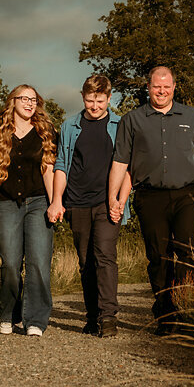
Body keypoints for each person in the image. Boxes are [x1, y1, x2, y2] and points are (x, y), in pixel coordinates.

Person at [107, 65, 194, 334]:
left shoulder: (192, 117)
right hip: (149, 196)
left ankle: (188, 305)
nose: (161, 91)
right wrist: (114, 198)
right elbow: (121, 161)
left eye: (166, 86)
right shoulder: (133, 120)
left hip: (187, 194)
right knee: (159, 257)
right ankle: (166, 311)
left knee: (188, 251)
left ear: (174, 87)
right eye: (156, 86)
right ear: (148, 88)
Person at [48, 73, 130, 338]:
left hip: (108, 203)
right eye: (90, 100)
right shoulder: (70, 125)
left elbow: (130, 167)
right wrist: (57, 200)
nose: (95, 106)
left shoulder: (120, 125)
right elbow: (61, 164)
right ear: (83, 97)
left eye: (100, 101)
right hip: (77, 201)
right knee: (86, 262)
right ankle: (92, 315)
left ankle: (109, 318)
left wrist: (120, 200)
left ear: (109, 98)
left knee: (105, 256)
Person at [0, 85, 57, 337]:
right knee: (11, 263)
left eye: (33, 99)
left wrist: (55, 201)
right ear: (12, 101)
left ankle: (35, 319)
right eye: (24, 99)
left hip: (38, 202)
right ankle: (9, 314)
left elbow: (48, 170)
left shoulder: (45, 132)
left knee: (37, 261)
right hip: (6, 203)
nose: (29, 103)